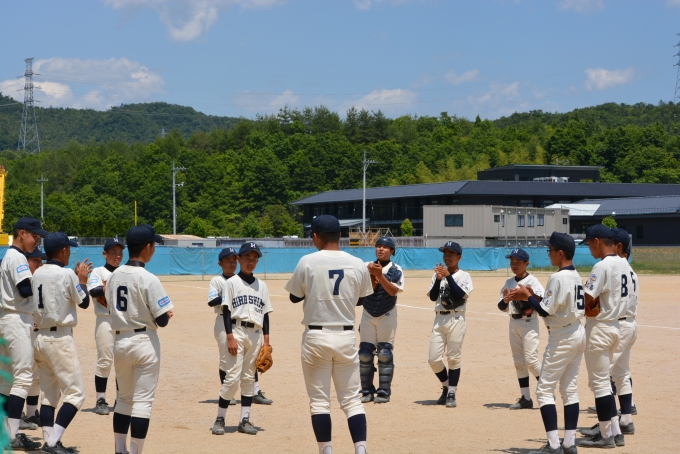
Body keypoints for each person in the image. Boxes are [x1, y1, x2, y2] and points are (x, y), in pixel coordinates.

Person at [284, 215, 373, 454]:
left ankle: (326, 451)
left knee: (319, 402)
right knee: (352, 400)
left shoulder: (307, 261)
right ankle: (361, 450)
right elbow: (361, 299)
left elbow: (294, 296)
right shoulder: (357, 263)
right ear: (340, 235)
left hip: (316, 336)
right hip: (346, 336)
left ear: (315, 236)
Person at [509, 233, 584, 454]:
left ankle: (553, 446)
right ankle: (569, 444)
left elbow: (544, 310)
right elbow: (552, 305)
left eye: (550, 250)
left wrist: (526, 295)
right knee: (569, 389)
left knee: (544, 391)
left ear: (560, 253)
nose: (548, 253)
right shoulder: (576, 275)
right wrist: (531, 296)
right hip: (577, 331)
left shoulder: (557, 277)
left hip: (562, 337)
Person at [106, 225, 174, 454]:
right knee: (143, 402)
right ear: (147, 247)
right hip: (144, 341)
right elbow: (162, 320)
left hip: (119, 340)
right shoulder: (148, 278)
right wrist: (164, 315)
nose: (154, 248)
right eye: (153, 244)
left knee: (124, 399)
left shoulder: (113, 276)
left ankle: (119, 450)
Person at [32, 233, 93, 454]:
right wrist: (82, 281)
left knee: (49, 395)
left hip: (39, 338)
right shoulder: (66, 274)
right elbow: (84, 302)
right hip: (59, 339)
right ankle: (52, 442)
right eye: (69, 249)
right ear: (64, 250)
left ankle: (49, 440)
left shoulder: (37, 273)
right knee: (76, 394)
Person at [211, 243, 273, 436]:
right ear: (239, 259)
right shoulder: (231, 283)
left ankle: (244, 420)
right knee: (231, 378)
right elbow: (226, 312)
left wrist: (266, 342)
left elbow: (265, 315)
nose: (251, 262)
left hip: (255, 334)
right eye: (247, 258)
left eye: (254, 258)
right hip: (236, 331)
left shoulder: (262, 286)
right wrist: (230, 337)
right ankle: (220, 418)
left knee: (248, 378)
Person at [580, 228, 637, 439]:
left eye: (589, 244)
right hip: (624, 323)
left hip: (605, 325)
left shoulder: (602, 265)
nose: (589, 248)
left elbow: (587, 298)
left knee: (601, 381)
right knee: (620, 374)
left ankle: (608, 431)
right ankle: (621, 423)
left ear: (597, 241)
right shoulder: (627, 267)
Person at [0, 217, 47, 451]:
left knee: (6, 381)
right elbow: (25, 289)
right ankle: (13, 435)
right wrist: (45, 279)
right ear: (21, 233)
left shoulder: (8, 256)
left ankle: (6, 432)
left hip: (8, 319)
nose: (36, 240)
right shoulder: (18, 257)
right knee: (22, 378)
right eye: (34, 236)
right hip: (17, 320)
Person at [426, 241, 473, 408]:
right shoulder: (437, 275)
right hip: (439, 319)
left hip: (456, 318)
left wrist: (447, 276)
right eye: (445, 253)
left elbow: (461, 294)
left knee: (453, 357)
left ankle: (451, 393)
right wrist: (439, 279)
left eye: (451, 253)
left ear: (459, 256)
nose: (447, 256)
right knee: (433, 359)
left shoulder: (464, 276)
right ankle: (446, 386)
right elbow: (433, 297)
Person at [359, 236, 404, 404]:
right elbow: (362, 290)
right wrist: (372, 276)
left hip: (387, 314)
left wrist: (379, 275)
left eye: (385, 247)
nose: (381, 249)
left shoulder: (396, 269)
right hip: (368, 313)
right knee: (365, 354)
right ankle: (367, 391)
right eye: (378, 246)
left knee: (385, 353)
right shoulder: (366, 266)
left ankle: (384, 392)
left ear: (392, 251)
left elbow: (393, 291)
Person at [497, 248, 544, 410]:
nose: (514, 265)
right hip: (514, 323)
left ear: (526, 263)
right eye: (512, 262)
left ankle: (546, 389)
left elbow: (541, 301)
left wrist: (528, 296)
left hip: (529, 323)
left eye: (518, 262)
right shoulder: (509, 282)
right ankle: (526, 398)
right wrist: (505, 300)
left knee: (531, 361)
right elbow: (501, 306)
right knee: (519, 362)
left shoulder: (532, 281)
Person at [87, 238, 125, 416]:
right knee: (105, 360)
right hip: (105, 320)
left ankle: (120, 398)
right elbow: (94, 291)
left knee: (122, 362)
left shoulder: (125, 272)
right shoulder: (98, 271)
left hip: (123, 321)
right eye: (113, 252)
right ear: (104, 254)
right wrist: (110, 286)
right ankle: (100, 399)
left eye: (120, 253)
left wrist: (106, 286)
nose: (117, 256)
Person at [20, 246, 47, 431]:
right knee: (19, 376)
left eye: (41, 260)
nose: (40, 264)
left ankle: (30, 413)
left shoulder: (36, 281)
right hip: (19, 332)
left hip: (35, 331)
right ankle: (14, 416)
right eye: (35, 260)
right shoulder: (19, 282)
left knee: (35, 375)